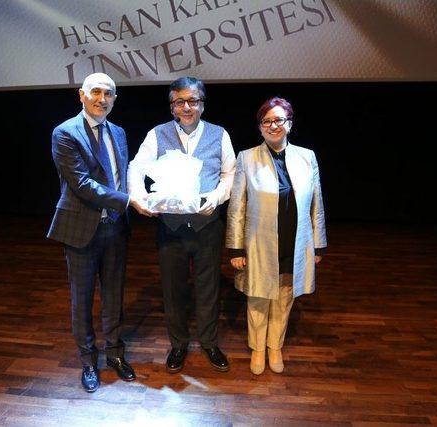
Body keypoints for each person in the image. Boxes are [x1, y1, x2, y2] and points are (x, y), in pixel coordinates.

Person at [47, 73, 154, 392]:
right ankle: (88, 362)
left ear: (114, 99)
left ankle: (115, 354)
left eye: (109, 94)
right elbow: (82, 185)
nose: (102, 98)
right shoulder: (65, 132)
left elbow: (121, 176)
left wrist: (142, 193)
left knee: (114, 295)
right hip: (81, 228)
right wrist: (129, 201)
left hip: (115, 228)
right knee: (82, 299)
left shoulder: (118, 132)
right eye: (95, 91)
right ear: (81, 95)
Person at [128, 76, 236, 373]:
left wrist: (216, 197)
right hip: (170, 226)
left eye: (193, 101)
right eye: (179, 102)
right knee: (173, 289)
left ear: (202, 103)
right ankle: (178, 344)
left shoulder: (219, 134)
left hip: (207, 224)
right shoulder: (157, 134)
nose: (186, 107)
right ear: (172, 105)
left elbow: (229, 174)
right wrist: (138, 198)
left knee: (208, 287)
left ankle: (210, 342)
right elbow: (136, 167)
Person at [226, 96, 327, 375]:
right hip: (259, 243)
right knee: (258, 297)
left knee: (285, 296)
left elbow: (317, 203)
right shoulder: (247, 157)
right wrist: (235, 249)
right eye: (267, 121)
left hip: (295, 242)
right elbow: (237, 207)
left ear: (289, 124)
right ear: (260, 127)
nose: (273, 125)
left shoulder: (307, 157)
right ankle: (258, 348)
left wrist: (317, 245)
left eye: (279, 119)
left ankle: (275, 346)